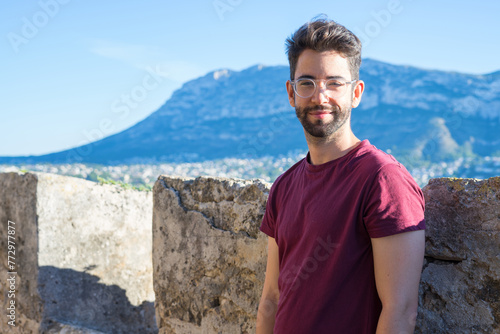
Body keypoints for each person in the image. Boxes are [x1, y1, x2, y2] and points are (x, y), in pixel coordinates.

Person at [256, 17, 426, 334]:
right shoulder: (283, 186)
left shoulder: (383, 179)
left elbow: (400, 312)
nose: (320, 97)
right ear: (291, 94)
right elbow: (271, 298)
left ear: (356, 93)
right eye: (307, 83)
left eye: (334, 83)